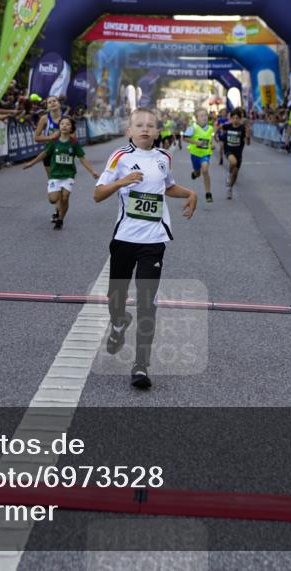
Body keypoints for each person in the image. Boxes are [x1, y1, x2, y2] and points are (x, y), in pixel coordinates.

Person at [94, 108, 198, 389]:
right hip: (125, 238)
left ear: (156, 131)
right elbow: (98, 195)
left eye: (150, 125)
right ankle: (118, 322)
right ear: (129, 130)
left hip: (153, 241)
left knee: (146, 303)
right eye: (139, 125)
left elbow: (168, 188)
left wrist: (190, 193)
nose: (145, 129)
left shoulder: (164, 157)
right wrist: (121, 182)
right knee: (115, 296)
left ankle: (141, 365)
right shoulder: (120, 157)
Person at [22, 116, 99, 230]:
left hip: (68, 175)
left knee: (65, 197)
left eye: (67, 124)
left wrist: (92, 171)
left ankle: (60, 219)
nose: (64, 126)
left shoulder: (74, 143)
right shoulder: (54, 142)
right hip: (55, 175)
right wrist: (31, 163)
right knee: (53, 199)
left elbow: (82, 158)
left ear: (71, 127)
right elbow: (44, 153)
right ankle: (57, 204)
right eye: (62, 124)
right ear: (59, 126)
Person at [218, 107, 251, 200]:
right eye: (234, 118)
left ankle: (229, 188)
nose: (235, 120)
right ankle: (228, 174)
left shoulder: (242, 129)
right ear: (231, 118)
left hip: (238, 153)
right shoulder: (227, 126)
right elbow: (219, 128)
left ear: (240, 119)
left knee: (235, 174)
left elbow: (248, 143)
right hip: (228, 150)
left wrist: (248, 137)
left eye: (237, 118)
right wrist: (218, 136)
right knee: (233, 162)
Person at [183, 108, 215, 203]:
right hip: (195, 155)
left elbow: (210, 139)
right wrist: (196, 142)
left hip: (205, 154)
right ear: (196, 118)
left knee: (205, 170)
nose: (204, 117)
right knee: (198, 173)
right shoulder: (193, 128)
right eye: (201, 116)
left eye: (205, 115)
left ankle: (208, 193)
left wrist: (212, 145)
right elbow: (184, 138)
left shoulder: (210, 128)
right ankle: (195, 173)